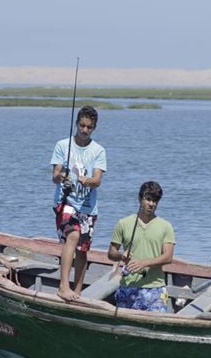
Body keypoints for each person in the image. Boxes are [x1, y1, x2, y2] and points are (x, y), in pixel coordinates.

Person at [50, 105, 107, 301]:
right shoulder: (62, 145)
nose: (84, 130)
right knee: (72, 236)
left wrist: (88, 180)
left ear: (94, 128)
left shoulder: (98, 151)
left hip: (88, 207)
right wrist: (61, 176)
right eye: (82, 125)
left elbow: (97, 180)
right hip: (65, 202)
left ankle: (78, 291)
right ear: (76, 124)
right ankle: (63, 286)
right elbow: (55, 176)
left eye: (89, 127)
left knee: (82, 250)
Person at [107, 181, 175, 312]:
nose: (151, 204)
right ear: (140, 199)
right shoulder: (124, 223)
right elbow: (111, 253)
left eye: (155, 201)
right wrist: (121, 255)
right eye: (148, 199)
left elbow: (168, 257)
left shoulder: (166, 226)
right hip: (128, 287)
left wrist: (144, 263)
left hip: (155, 289)